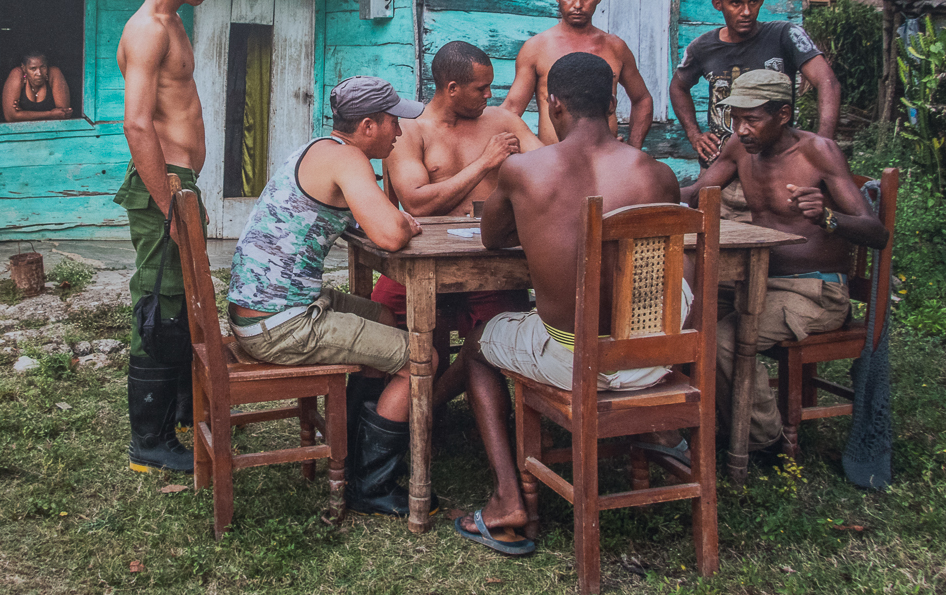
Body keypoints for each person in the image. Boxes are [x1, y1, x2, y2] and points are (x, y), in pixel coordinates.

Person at [456, 52, 685, 556]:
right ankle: (665, 431)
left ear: (553, 104)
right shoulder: (657, 173)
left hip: (571, 358)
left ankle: (507, 499)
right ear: (611, 104)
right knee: (678, 291)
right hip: (651, 359)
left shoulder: (523, 170)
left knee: (476, 347)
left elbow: (494, 240)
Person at [226, 75, 438, 517]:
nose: (399, 132)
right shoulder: (350, 161)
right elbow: (390, 233)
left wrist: (394, 221)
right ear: (366, 126)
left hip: (264, 310)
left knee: (383, 313)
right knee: (425, 359)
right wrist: (399, 224)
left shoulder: (318, 149)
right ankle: (372, 483)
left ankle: (357, 441)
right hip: (280, 325)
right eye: (392, 122)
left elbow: (370, 222)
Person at [679, 69, 887, 458]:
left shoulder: (818, 152)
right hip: (757, 282)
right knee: (685, 313)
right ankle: (706, 425)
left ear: (784, 114)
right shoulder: (740, 148)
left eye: (752, 119)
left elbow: (876, 233)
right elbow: (695, 192)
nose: (741, 129)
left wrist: (829, 217)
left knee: (725, 340)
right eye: (736, 119)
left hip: (815, 290)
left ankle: (764, 442)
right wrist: (644, 185)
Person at [114, 0, 224, 473]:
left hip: (183, 183)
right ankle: (149, 443)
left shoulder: (174, 22)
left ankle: (180, 410)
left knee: (185, 299)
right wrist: (168, 205)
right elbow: (136, 125)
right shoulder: (149, 29)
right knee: (160, 302)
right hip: (167, 185)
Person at [380, 40, 541, 409]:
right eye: (481, 88)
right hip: (422, 262)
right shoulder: (411, 129)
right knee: (383, 312)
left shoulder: (504, 122)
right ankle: (381, 409)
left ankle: (431, 404)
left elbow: (549, 168)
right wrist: (486, 163)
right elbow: (417, 202)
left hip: (490, 261)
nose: (490, 95)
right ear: (452, 88)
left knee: (495, 335)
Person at [669, 0, 842, 166]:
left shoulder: (784, 35)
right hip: (721, 164)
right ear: (718, 4)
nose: (746, 11)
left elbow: (827, 81)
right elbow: (678, 87)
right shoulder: (702, 47)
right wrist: (694, 134)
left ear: (761, 1)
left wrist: (824, 144)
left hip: (776, 165)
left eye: (753, 2)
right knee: (704, 196)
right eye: (736, 3)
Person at [502, 0, 653, 148]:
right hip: (553, 165)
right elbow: (511, 111)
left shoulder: (615, 47)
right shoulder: (536, 48)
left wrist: (633, 148)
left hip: (606, 163)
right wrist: (536, 150)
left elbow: (642, 99)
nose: (578, 4)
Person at [1, 51, 72, 121]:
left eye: (43, 67)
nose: (39, 73)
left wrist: (23, 114)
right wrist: (50, 114)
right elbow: (10, 117)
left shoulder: (54, 73)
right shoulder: (17, 74)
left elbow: (63, 114)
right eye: (33, 68)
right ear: (24, 68)